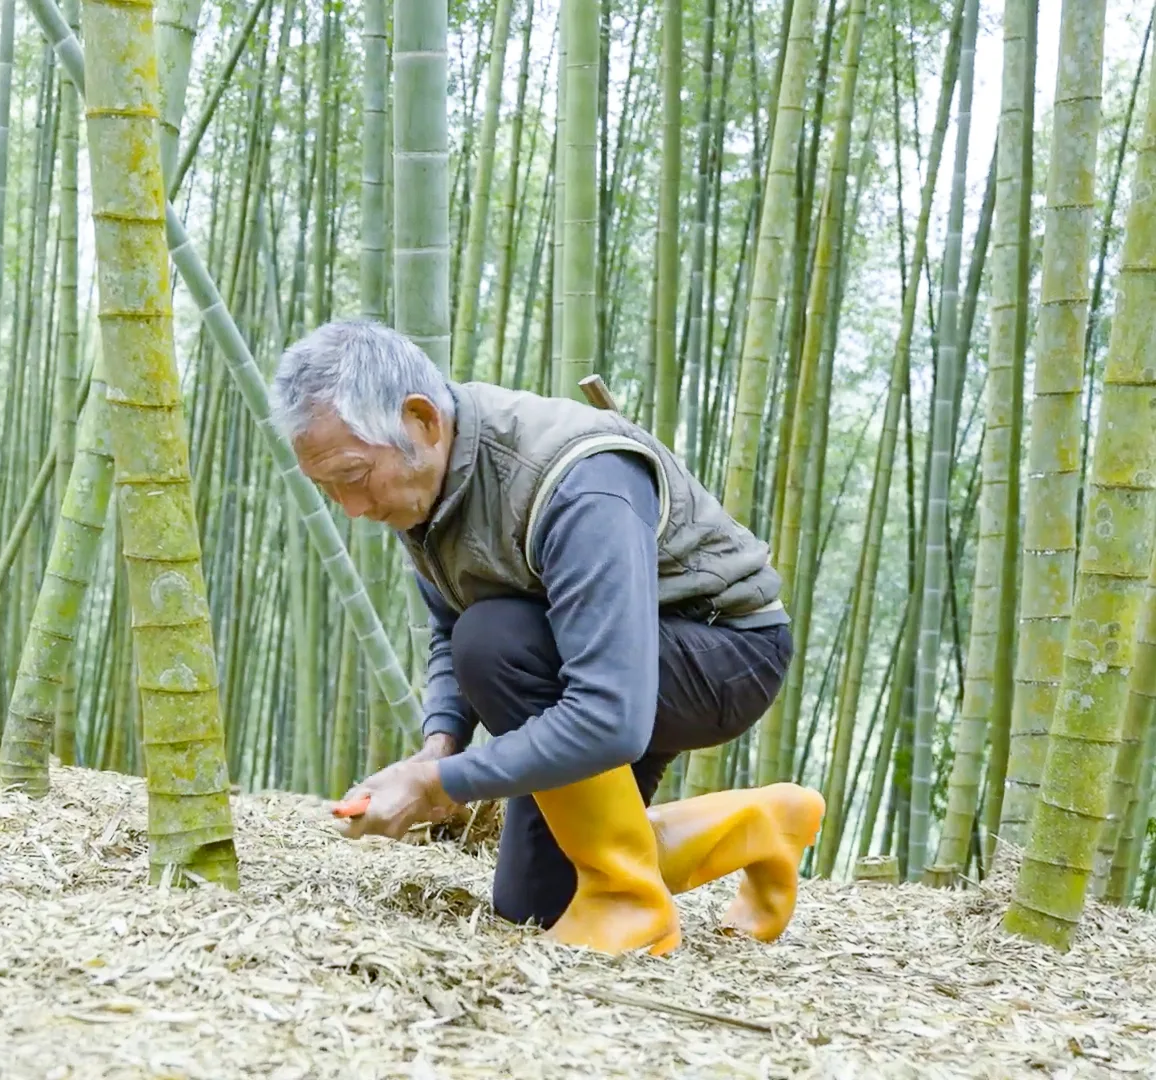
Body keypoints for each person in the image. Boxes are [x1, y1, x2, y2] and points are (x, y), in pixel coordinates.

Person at [270, 318, 826, 957]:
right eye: (327, 489)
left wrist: (439, 785)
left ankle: (629, 902)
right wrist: (437, 745)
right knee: (536, 905)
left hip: (719, 652)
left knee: (494, 641)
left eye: (352, 476)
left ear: (421, 420)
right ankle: (760, 825)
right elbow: (449, 626)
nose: (351, 508)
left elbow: (608, 718)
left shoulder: (575, 478)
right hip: (588, 664)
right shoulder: (423, 483)